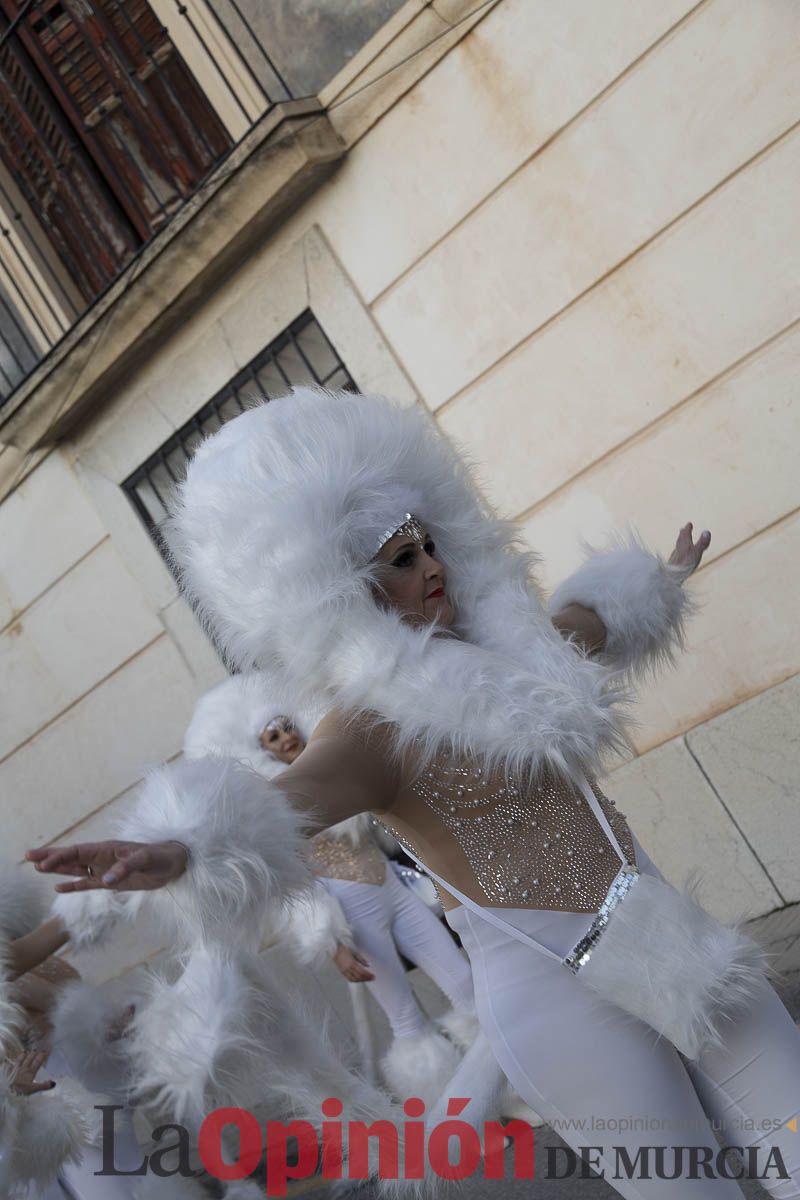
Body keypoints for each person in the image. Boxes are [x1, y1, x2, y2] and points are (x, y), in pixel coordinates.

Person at [31, 387, 800, 1198]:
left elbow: (586, 624)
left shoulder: (520, 655)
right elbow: (290, 800)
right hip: (557, 998)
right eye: (401, 559)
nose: (431, 566)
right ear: (346, 587)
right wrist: (180, 848)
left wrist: (657, 580)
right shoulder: (368, 729)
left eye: (429, 545)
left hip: (672, 941)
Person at [184, 672, 479, 1105]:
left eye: (287, 727)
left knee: (466, 983)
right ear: (259, 749)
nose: (286, 739)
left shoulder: (339, 776)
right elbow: (290, 887)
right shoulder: (272, 808)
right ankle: (458, 1116)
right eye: (272, 736)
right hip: (355, 921)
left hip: (396, 891)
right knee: (407, 1020)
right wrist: (331, 943)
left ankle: (506, 1087)